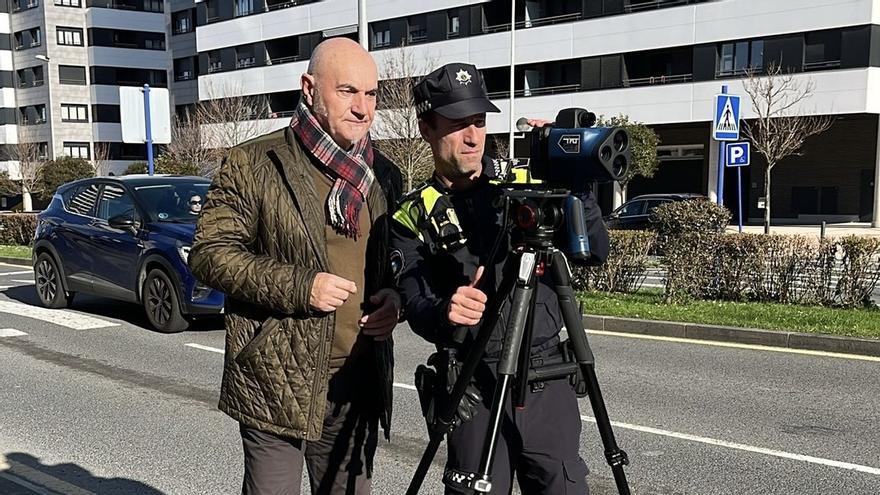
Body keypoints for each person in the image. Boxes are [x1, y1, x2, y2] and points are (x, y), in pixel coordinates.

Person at [189, 37, 403, 495]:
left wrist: (394, 298)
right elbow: (209, 254)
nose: (363, 108)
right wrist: (300, 286)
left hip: (356, 381)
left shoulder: (383, 174)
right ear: (309, 89)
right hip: (278, 378)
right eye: (348, 91)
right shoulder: (253, 162)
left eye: (371, 94)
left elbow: (389, 264)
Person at [390, 62, 610, 494]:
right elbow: (414, 301)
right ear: (426, 129)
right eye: (457, 125)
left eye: (479, 122)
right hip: (474, 384)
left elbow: (594, 251)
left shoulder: (528, 181)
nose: (473, 137)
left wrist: (574, 181)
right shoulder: (412, 213)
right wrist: (444, 311)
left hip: (547, 376)